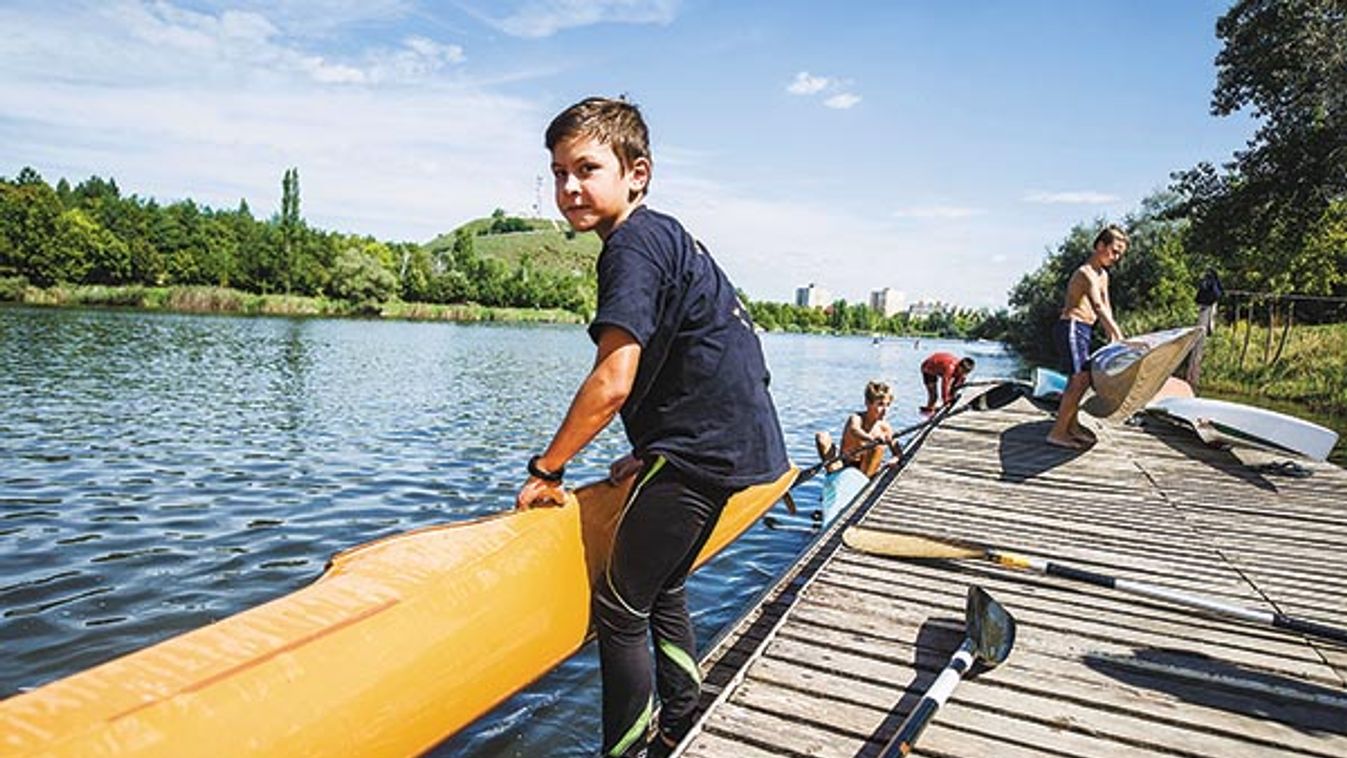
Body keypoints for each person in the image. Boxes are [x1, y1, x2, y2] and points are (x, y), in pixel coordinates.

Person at [516, 97, 789, 758]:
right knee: (660, 584)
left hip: (703, 449)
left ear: (637, 172)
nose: (568, 187)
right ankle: (682, 716)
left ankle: (627, 750)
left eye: (585, 168)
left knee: (618, 605)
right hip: (735, 445)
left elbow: (612, 381)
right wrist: (653, 450)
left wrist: (546, 470)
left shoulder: (631, 246)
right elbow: (711, 353)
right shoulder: (667, 235)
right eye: (557, 173)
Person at [1046, 224, 1127, 449]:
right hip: (1071, 327)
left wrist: (1113, 337)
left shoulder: (1104, 275)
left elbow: (1107, 307)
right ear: (1100, 245)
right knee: (1080, 379)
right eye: (1114, 251)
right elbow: (1098, 306)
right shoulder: (1086, 273)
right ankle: (1058, 432)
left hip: (1085, 330)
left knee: (1083, 380)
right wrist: (1117, 334)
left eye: (1120, 253)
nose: (1117, 257)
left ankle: (1071, 425)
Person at [814, 381, 896, 478]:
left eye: (888, 405)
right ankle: (833, 474)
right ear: (868, 403)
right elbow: (854, 430)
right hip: (844, 464)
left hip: (864, 469)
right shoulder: (856, 418)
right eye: (880, 405)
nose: (885, 410)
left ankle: (863, 484)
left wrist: (894, 459)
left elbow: (897, 452)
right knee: (822, 437)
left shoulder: (885, 428)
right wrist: (871, 439)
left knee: (878, 447)